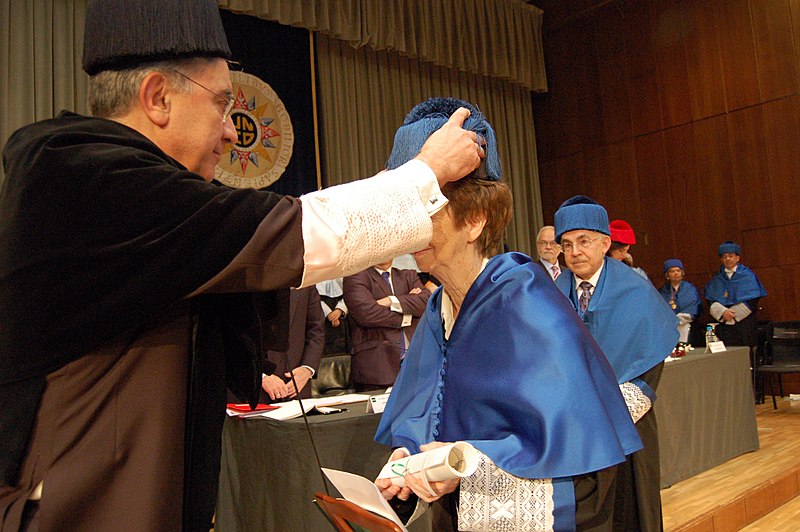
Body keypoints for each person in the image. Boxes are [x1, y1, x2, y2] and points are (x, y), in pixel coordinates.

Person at [0, 1, 485, 530]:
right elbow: (291, 232)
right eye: (223, 104)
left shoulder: (129, 186)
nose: (232, 133)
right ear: (158, 97)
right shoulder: (88, 177)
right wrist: (425, 176)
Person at [374, 98, 642, 531]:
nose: (408, 226)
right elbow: (429, 412)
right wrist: (409, 457)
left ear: (476, 218)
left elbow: (575, 456)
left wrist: (463, 461)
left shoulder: (528, 304)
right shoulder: (439, 311)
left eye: (426, 207)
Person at [554, 196, 678, 531]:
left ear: (606, 243)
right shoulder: (551, 294)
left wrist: (607, 412)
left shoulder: (635, 291)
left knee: (628, 510)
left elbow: (650, 363)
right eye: (566, 244)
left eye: (583, 241)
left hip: (626, 425)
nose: (575, 251)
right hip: (573, 431)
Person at [343, 260, 430, 391]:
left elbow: (426, 302)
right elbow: (366, 313)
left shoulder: (408, 275)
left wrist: (391, 300)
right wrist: (408, 312)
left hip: (415, 364)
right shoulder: (356, 276)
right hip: (377, 367)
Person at [703, 241, 767, 348]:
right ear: (721, 259)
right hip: (724, 322)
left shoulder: (747, 275)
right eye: (724, 257)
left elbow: (752, 300)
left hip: (744, 322)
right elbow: (711, 299)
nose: (728, 259)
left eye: (731, 256)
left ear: (737, 258)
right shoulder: (716, 279)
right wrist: (723, 312)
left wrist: (733, 315)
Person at [658, 259, 703, 344]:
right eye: (672, 271)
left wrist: (681, 318)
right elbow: (660, 309)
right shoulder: (662, 291)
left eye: (678, 270)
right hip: (670, 328)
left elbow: (694, 306)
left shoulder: (690, 289)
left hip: (688, 327)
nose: (676, 273)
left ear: (682, 273)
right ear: (667, 275)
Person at [316, 278, 351, 356]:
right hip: (319, 314)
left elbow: (351, 292)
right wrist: (328, 313)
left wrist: (340, 310)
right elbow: (312, 296)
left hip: (343, 316)